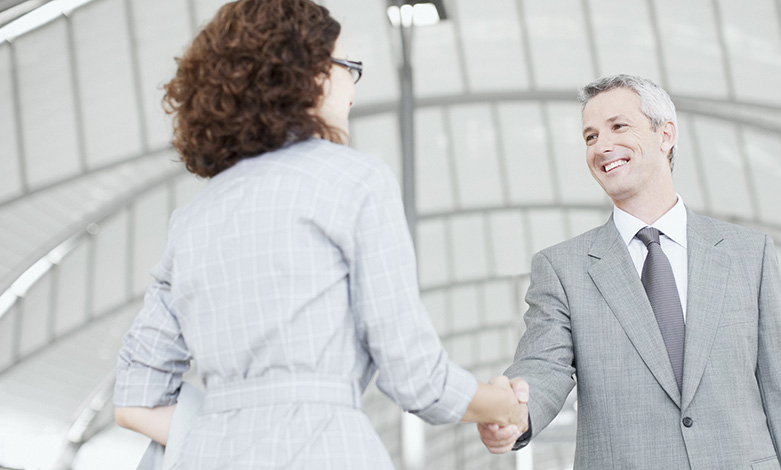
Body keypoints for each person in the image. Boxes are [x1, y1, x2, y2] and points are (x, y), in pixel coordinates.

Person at [112, 1, 527, 468]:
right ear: (310, 74)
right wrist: (504, 404)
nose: (352, 88)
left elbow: (135, 404)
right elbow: (417, 379)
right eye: (349, 68)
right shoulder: (354, 182)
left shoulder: (190, 222)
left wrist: (230, 429)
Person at [478, 74, 781, 469]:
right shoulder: (562, 269)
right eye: (590, 137)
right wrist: (514, 411)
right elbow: (543, 365)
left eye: (618, 126)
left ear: (665, 134)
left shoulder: (748, 254)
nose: (602, 146)